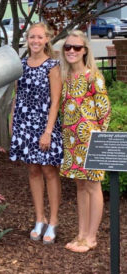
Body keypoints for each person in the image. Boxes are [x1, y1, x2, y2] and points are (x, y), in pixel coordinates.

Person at [9, 22, 63, 244]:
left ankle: (53, 220)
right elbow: (17, 97)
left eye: (40, 37)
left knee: (49, 171)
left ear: (47, 39)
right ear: (27, 39)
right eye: (32, 37)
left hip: (44, 125)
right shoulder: (20, 65)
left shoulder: (52, 66)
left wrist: (48, 131)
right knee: (33, 170)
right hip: (24, 125)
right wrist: (12, 124)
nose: (36, 41)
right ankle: (39, 218)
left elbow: (55, 101)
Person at [60, 30, 111, 252]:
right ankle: (81, 234)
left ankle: (91, 237)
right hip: (71, 141)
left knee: (93, 185)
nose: (72, 51)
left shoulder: (93, 77)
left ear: (85, 51)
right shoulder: (66, 77)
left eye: (77, 47)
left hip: (90, 139)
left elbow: (105, 112)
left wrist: (97, 141)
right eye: (68, 47)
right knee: (80, 185)